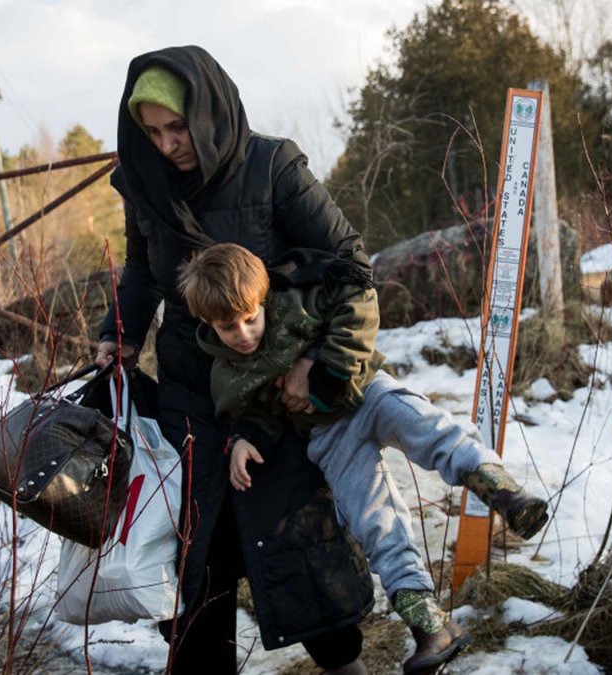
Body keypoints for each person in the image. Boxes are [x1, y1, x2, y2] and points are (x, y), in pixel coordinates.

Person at [94, 46, 375, 673]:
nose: (168, 145)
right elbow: (142, 269)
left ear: (210, 109)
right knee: (196, 569)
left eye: (178, 127)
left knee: (299, 553)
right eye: (153, 132)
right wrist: (121, 330)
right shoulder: (145, 183)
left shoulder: (274, 166)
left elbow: (351, 268)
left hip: (274, 394)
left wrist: (319, 366)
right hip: (191, 399)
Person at [178, 242, 552, 673]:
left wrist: (328, 372)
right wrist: (244, 439)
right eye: (229, 327)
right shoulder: (227, 375)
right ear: (207, 324)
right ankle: (431, 627)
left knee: (431, 431)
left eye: (250, 318)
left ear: (263, 301)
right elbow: (257, 414)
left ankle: (507, 495)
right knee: (378, 523)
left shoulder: (297, 302)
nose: (244, 333)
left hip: (367, 391)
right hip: (328, 438)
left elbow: (358, 308)